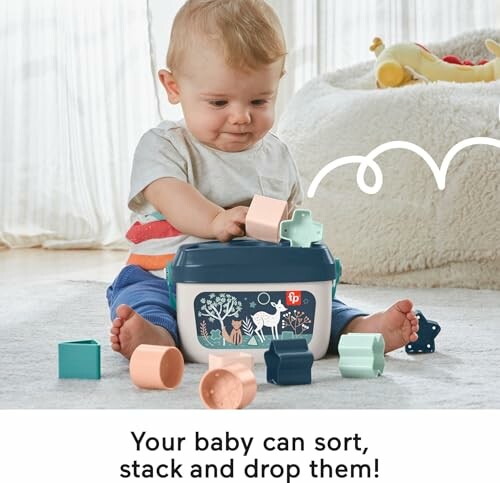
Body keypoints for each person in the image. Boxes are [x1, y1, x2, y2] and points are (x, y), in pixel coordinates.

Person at [107, 0, 418, 360]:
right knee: (140, 298)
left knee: (312, 306)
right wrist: (214, 220)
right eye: (219, 102)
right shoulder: (163, 146)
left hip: (257, 281)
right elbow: (169, 194)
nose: (241, 117)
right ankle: (155, 336)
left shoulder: (276, 157)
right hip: (164, 276)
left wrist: (290, 236)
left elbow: (290, 227)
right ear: (173, 87)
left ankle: (359, 327)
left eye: (258, 100)